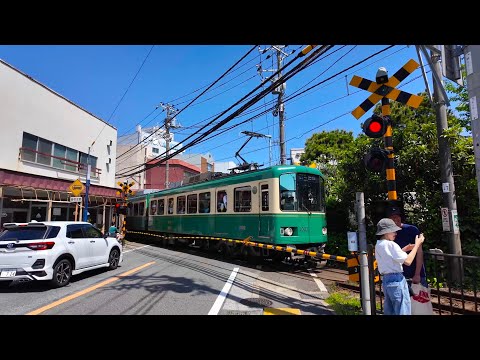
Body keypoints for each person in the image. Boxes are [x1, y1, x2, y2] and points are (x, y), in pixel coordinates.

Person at [375, 217, 425, 315]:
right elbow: (408, 261)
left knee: (391, 311)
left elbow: (390, 259)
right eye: (393, 231)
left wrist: (404, 250)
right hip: (396, 280)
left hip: (386, 280)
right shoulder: (391, 245)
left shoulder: (379, 244)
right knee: (403, 310)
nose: (396, 233)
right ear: (386, 232)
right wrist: (417, 244)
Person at [388, 207, 428, 288]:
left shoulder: (412, 230)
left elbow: (419, 252)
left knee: (421, 299)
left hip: (414, 273)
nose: (395, 219)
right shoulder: (387, 234)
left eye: (397, 216)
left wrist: (417, 274)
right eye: (392, 217)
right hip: (398, 275)